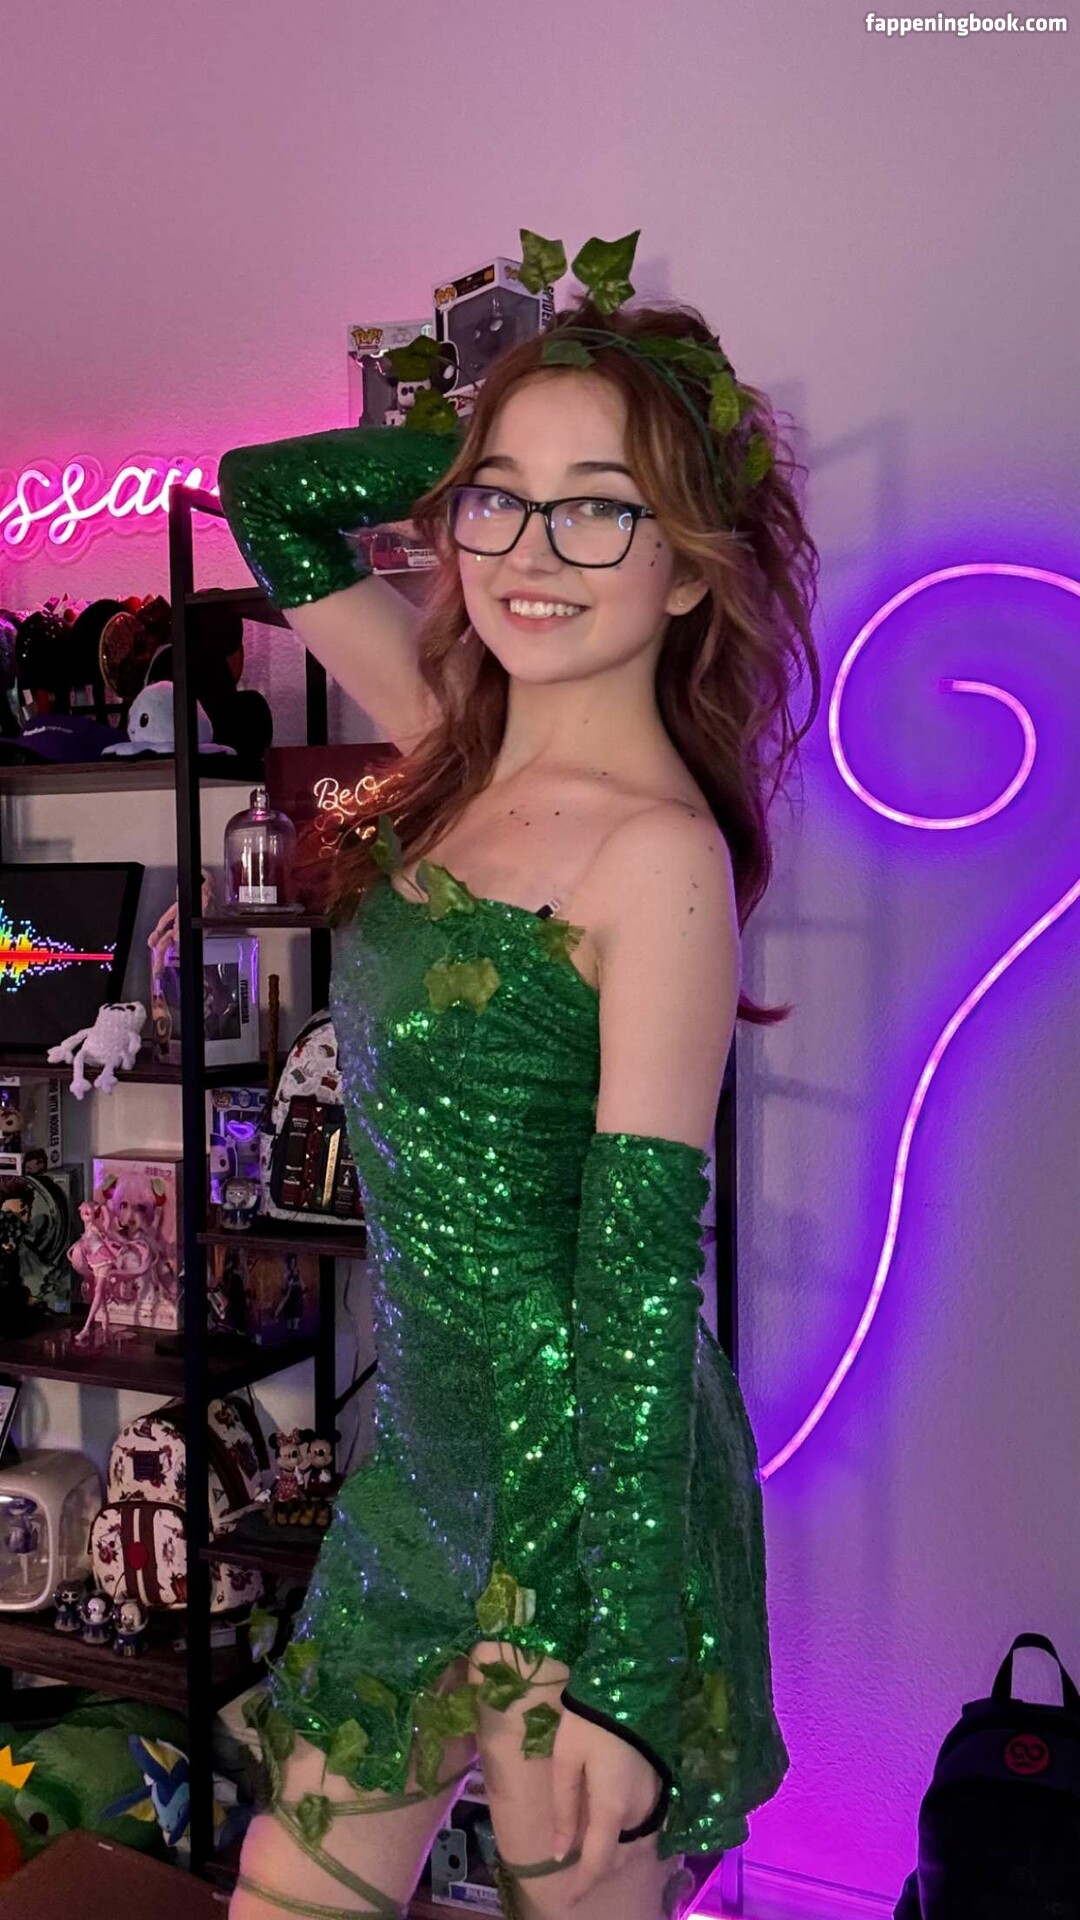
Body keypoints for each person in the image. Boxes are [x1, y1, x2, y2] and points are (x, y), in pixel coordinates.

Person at [217, 237, 821, 1920]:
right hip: (422, 1465)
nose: (533, 554)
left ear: (689, 567)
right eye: (500, 505)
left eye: (604, 513)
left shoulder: (659, 860)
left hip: (588, 1487)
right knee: (287, 1893)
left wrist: (626, 1665)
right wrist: (519, 429)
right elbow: (267, 499)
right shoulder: (452, 735)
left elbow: (637, 1283)